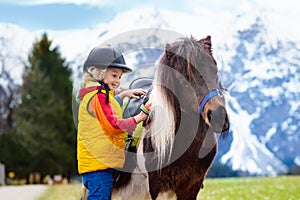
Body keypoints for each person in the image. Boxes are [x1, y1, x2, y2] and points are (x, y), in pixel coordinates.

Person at [76, 44, 150, 200]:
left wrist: (123, 95)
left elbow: (106, 111)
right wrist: (139, 117)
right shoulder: (98, 96)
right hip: (99, 167)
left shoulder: (95, 95)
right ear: (99, 73)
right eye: (114, 75)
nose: (117, 81)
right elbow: (113, 125)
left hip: (97, 164)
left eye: (120, 77)